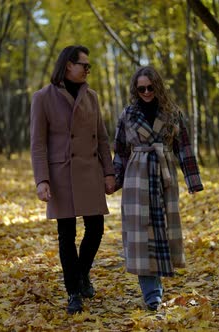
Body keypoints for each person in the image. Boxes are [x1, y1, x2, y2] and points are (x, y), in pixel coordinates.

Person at [30, 45, 116, 315]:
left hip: (89, 171)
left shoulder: (92, 97)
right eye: (84, 65)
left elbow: (102, 138)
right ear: (68, 65)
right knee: (66, 235)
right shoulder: (43, 98)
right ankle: (73, 292)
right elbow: (38, 144)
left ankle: (81, 274)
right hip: (60, 175)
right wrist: (42, 180)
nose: (87, 70)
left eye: (89, 66)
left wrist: (109, 172)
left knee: (96, 228)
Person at [113, 66, 204, 311]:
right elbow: (120, 149)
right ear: (135, 89)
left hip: (164, 175)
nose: (146, 92)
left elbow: (183, 148)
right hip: (137, 177)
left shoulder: (172, 113)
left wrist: (192, 180)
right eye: (140, 88)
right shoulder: (128, 114)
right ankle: (152, 294)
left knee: (162, 229)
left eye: (150, 87)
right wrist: (113, 179)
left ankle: (158, 287)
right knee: (141, 234)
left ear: (158, 86)